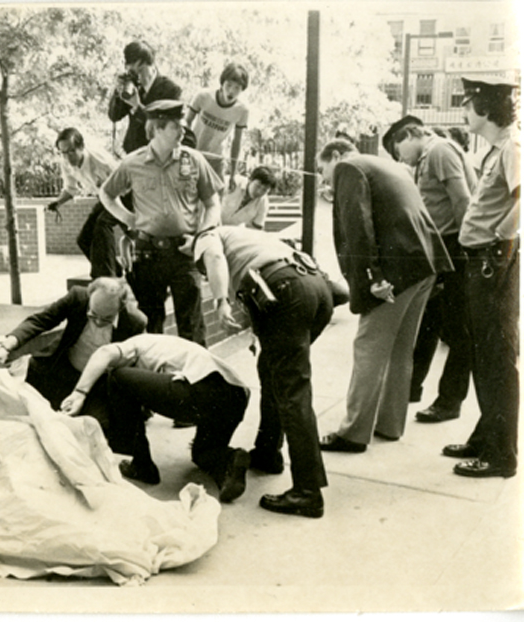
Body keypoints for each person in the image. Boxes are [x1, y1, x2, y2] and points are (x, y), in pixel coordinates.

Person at [316, 139, 453, 453]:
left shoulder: (349, 168)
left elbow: (358, 228)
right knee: (401, 349)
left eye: (322, 170)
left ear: (335, 156)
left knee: (369, 346)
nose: (325, 179)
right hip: (424, 264)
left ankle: (353, 433)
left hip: (396, 273)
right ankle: (390, 425)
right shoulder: (387, 165)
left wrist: (372, 277)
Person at [195, 225, 333, 518]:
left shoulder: (208, 237)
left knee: (292, 392)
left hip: (288, 291)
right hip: (317, 288)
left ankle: (308, 492)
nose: (205, 275)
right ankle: (268, 452)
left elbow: (216, 259)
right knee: (272, 373)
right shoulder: (251, 238)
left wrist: (220, 302)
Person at [60, 333, 251, 503]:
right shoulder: (164, 347)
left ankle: (141, 465)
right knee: (203, 453)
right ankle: (232, 459)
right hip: (236, 396)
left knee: (117, 377)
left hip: (198, 387)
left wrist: (79, 393)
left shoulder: (135, 344)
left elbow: (104, 353)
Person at [442, 77, 520, 479]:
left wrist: (499, 241)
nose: (464, 113)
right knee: (482, 353)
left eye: (469, 105)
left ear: (486, 108)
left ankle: (501, 456)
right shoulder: (495, 151)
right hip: (482, 261)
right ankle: (486, 435)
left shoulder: (513, 147)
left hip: (491, 262)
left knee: (496, 358)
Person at [99, 100, 224, 346]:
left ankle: (197, 380)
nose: (183, 132)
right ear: (156, 128)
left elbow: (213, 204)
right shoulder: (132, 163)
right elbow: (106, 194)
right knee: (151, 324)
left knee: (192, 326)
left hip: (184, 253)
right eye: (176, 126)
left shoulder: (194, 160)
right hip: (147, 255)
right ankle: (157, 380)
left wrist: (201, 237)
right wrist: (128, 218)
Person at [0, 277, 146, 452]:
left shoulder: (135, 322)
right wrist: (5, 347)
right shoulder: (78, 297)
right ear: (89, 299)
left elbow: (136, 367)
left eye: (106, 319)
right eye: (93, 315)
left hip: (97, 386)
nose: (98, 323)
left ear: (120, 307)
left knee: (95, 429)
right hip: (61, 370)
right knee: (21, 406)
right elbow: (41, 320)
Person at [390, 121, 477, 422]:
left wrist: (464, 248)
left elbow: (463, 200)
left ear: (412, 136)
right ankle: (410, 388)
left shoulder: (439, 150)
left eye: (399, 149)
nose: (401, 158)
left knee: (458, 328)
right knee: (429, 320)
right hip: (441, 250)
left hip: (456, 247)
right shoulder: (429, 156)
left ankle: (449, 401)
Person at [46, 128, 122, 278]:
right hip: (105, 197)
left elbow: (123, 178)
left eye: (71, 151)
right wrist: (58, 202)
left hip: (124, 194)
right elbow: (71, 189)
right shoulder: (65, 163)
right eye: (63, 153)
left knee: (102, 225)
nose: (67, 158)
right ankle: (114, 271)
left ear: (81, 147)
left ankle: (107, 277)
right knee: (84, 239)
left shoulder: (99, 159)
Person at [108, 40, 182, 156]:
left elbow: (164, 130)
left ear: (152, 65)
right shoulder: (133, 85)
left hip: (156, 156)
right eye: (133, 72)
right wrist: (118, 92)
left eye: (141, 70)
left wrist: (138, 107)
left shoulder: (171, 90)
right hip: (131, 153)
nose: (138, 76)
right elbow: (114, 116)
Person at [185, 62, 250, 189]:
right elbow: (186, 122)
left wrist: (232, 173)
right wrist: (186, 151)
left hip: (216, 159)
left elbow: (237, 142)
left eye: (237, 87)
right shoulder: (203, 96)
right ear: (222, 83)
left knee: (215, 201)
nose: (231, 91)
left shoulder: (242, 110)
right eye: (229, 85)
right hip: (193, 154)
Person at [220, 165, 276, 229]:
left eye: (264, 190)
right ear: (250, 179)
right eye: (257, 186)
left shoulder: (263, 203)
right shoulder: (232, 182)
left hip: (231, 233)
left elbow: (256, 228)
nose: (259, 192)